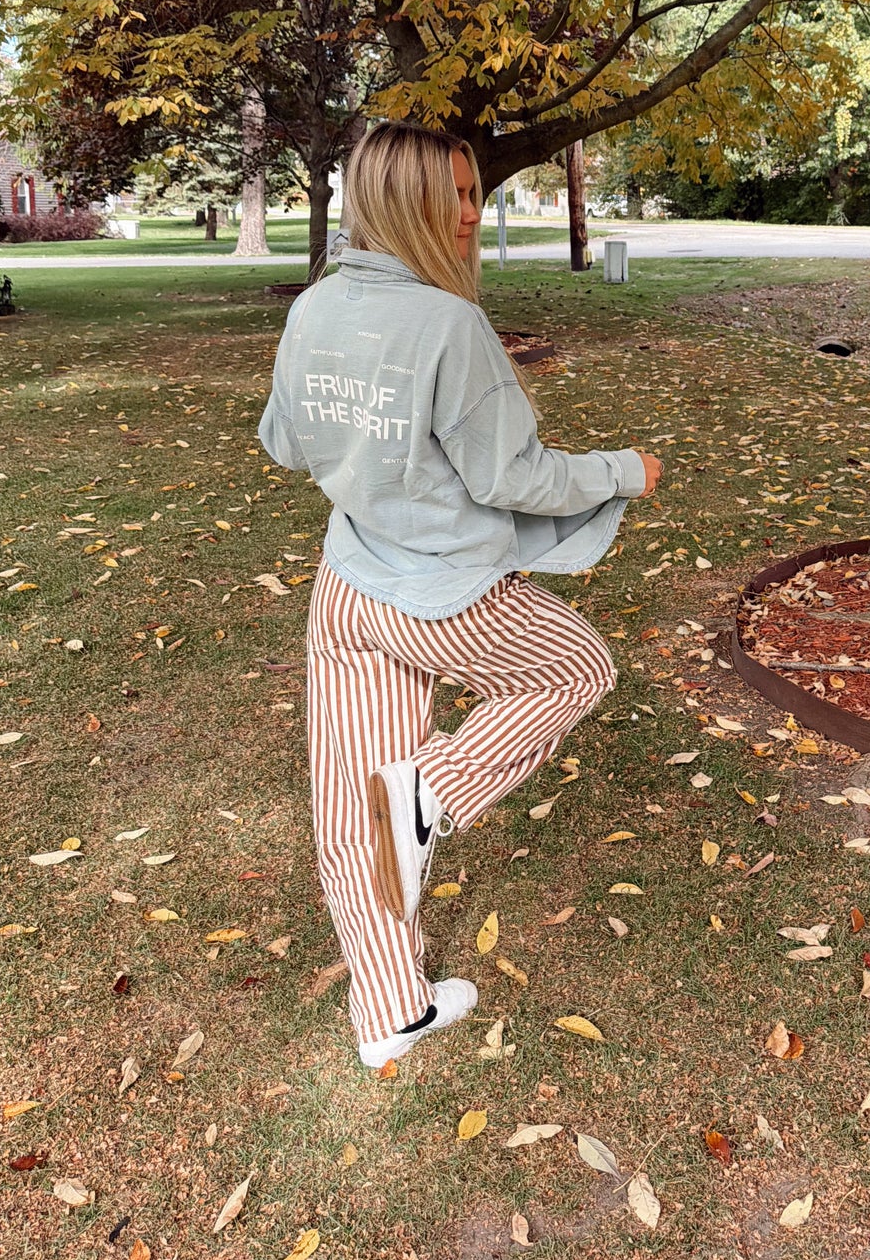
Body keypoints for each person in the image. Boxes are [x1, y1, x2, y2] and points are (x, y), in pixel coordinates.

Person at [258, 122, 660, 1068]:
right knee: (574, 667)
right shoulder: (449, 325)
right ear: (404, 204)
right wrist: (623, 470)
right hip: (441, 593)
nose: (474, 212)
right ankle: (428, 793)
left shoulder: (313, 308)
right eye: (458, 195)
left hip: (346, 589)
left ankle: (392, 1008)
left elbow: (283, 441)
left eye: (475, 191)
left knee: (350, 810)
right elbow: (513, 478)